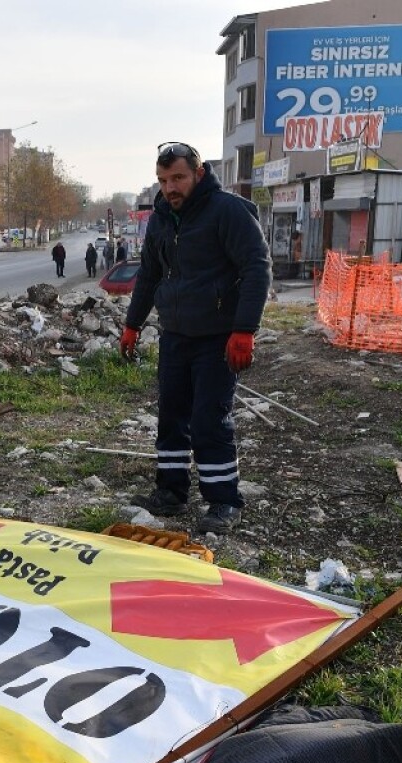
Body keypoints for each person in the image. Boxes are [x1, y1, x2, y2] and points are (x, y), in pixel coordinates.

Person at [120, 142, 271, 535]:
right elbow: (150, 276)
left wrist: (244, 330)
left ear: (199, 174)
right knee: (171, 415)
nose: (170, 187)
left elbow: (257, 269)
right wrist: (132, 324)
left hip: (218, 338)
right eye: (163, 180)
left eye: (178, 178)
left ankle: (223, 500)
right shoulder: (161, 219)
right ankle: (170, 492)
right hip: (175, 335)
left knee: (208, 419)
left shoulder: (228, 211)